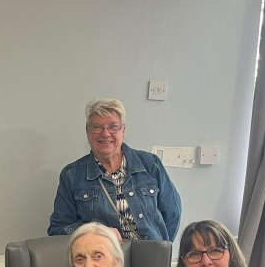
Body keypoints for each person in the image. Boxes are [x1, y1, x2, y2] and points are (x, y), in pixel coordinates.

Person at [48, 99, 182, 242]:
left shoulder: (150, 164)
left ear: (123, 131)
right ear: (88, 131)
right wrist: (97, 233)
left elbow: (173, 214)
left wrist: (159, 250)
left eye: (113, 127)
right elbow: (58, 229)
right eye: (97, 127)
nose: (105, 134)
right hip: (101, 261)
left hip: (151, 259)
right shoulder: (72, 175)